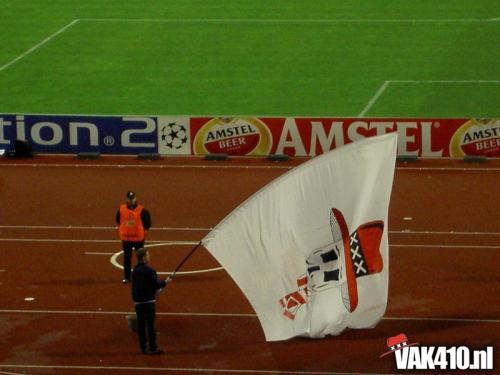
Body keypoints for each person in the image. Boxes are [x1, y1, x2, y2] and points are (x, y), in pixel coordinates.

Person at [132, 247, 167, 355]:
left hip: (138, 302)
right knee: (151, 326)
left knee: (141, 326)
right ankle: (153, 347)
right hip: (148, 302)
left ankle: (143, 347)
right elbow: (155, 284)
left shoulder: (135, 270)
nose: (149, 256)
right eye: (147, 254)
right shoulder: (150, 270)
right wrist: (165, 282)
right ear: (143, 257)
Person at [116, 191, 151, 283]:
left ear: (135, 198)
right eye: (129, 198)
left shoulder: (142, 210)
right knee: (127, 258)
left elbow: (147, 223)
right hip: (126, 239)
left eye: (133, 198)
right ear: (126, 199)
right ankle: (127, 277)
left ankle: (143, 276)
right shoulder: (121, 209)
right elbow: (118, 220)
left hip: (138, 239)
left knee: (141, 259)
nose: (131, 200)